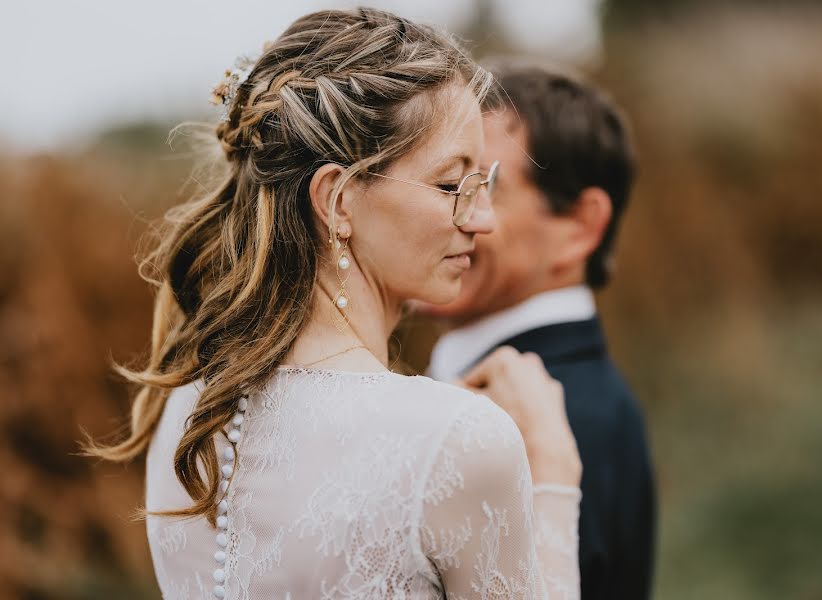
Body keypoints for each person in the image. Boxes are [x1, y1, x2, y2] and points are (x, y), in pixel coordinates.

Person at [84, 9, 584, 600]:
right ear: (338, 201)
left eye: (486, 181)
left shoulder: (190, 409)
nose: (483, 217)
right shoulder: (460, 441)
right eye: (453, 185)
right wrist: (553, 479)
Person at [425, 61, 657, 599]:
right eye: (442, 184)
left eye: (481, 186)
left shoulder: (558, 418)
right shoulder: (578, 394)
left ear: (580, 226)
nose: (449, 216)